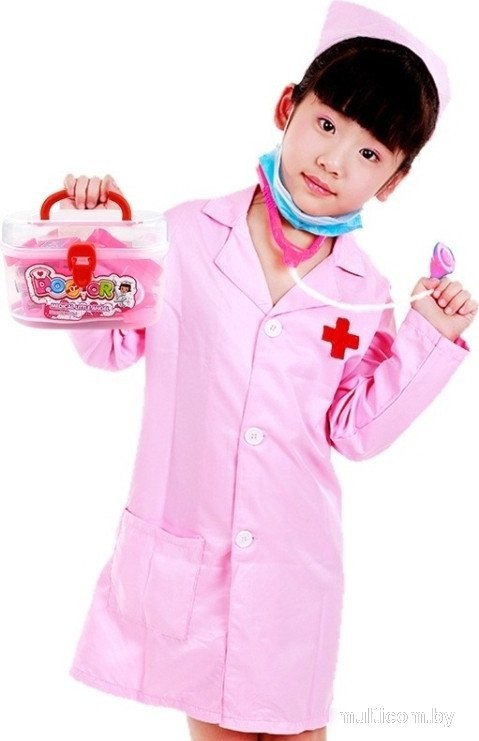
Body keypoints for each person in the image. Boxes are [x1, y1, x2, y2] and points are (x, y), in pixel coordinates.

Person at [62, 2, 476, 740]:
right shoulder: (184, 235)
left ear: (393, 180)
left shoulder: (363, 290)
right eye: (326, 124)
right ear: (288, 107)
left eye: (369, 153)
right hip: (194, 557)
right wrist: (88, 242)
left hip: (293, 569)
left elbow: (354, 431)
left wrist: (428, 337)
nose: (334, 160)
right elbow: (108, 349)